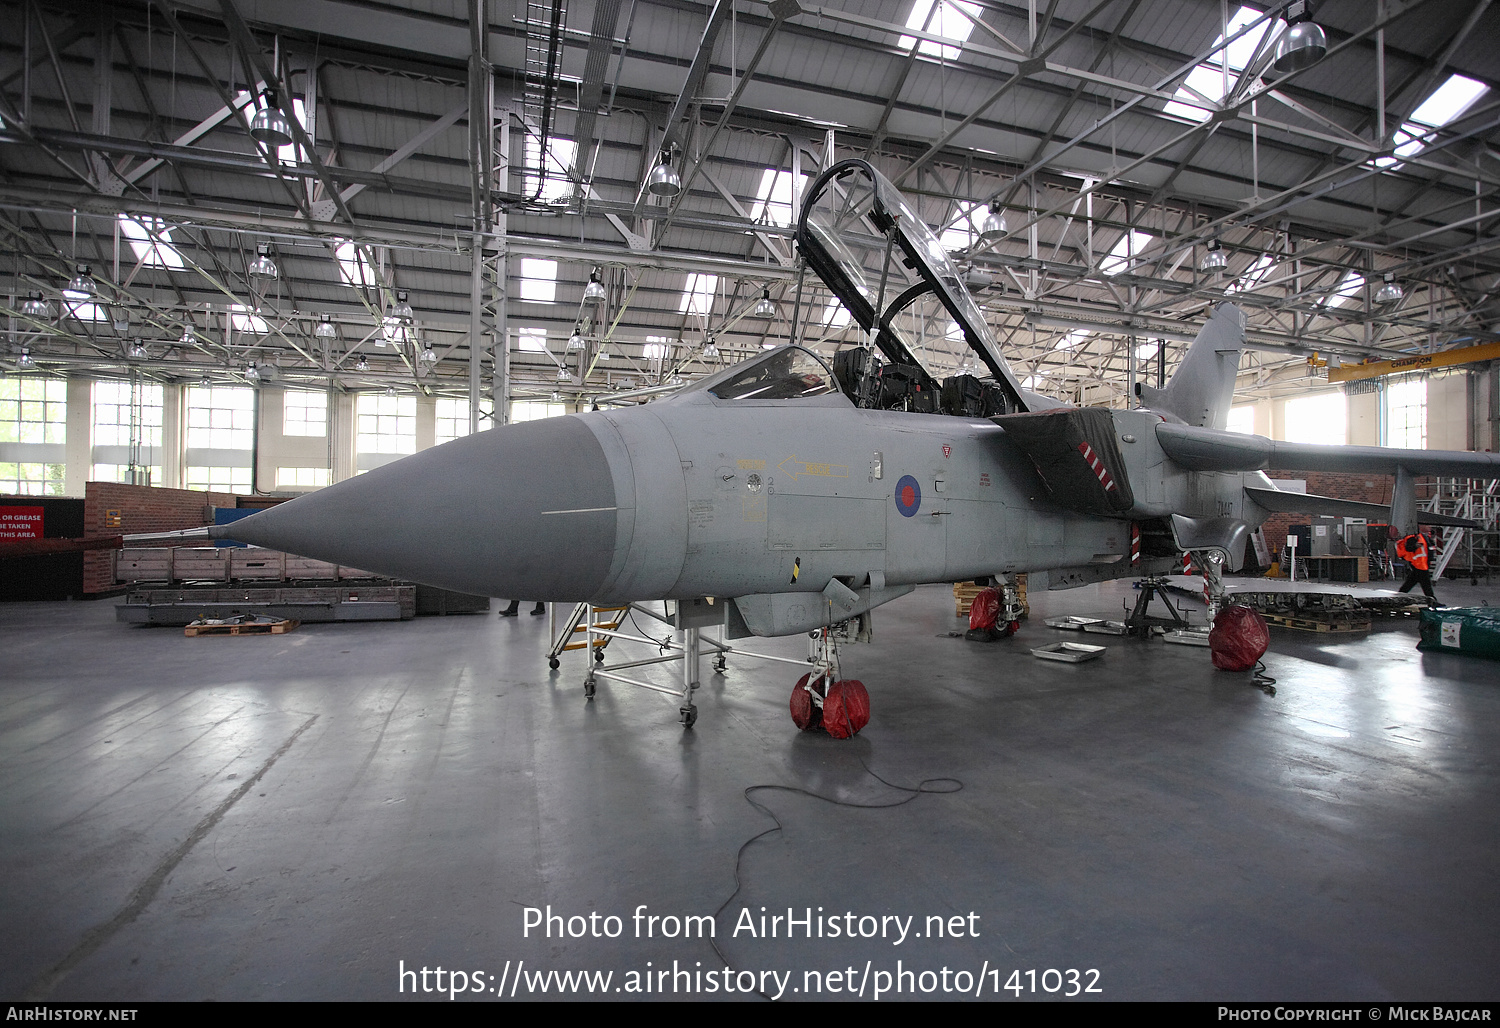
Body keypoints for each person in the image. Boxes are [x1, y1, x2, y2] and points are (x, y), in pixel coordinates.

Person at [1394, 529, 1441, 606]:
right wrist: (1415, 546)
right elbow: (1408, 548)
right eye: (1427, 525)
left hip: (1422, 565)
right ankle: (1432, 601)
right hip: (1418, 565)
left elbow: (1428, 550)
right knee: (1426, 585)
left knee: (1409, 584)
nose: (1429, 527)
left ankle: (1398, 598)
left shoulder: (1424, 537)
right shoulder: (1413, 537)